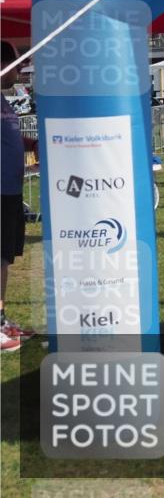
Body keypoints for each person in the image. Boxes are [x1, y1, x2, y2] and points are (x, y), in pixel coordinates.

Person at [1, 42, 37, 351]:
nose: (20, 71)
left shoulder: (3, 100)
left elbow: (9, 136)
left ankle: (1, 320)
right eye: (16, 65)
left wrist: (31, 144)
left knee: (4, 258)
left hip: (10, 191)